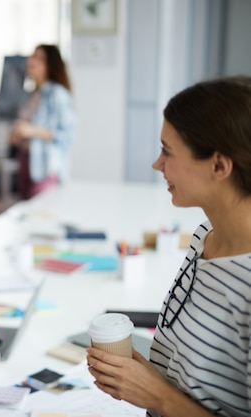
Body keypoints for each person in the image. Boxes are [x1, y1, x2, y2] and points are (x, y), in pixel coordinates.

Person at [87, 76, 251, 417]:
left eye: (167, 150)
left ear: (219, 166)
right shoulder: (205, 235)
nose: (156, 164)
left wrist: (157, 396)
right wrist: (143, 377)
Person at [8, 44, 74, 200]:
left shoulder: (58, 94)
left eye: (39, 58)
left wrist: (32, 131)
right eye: (32, 56)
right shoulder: (32, 94)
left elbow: (67, 135)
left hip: (46, 167)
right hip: (26, 160)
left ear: (50, 65)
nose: (32, 61)